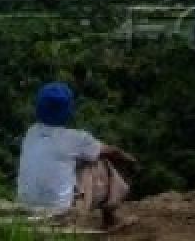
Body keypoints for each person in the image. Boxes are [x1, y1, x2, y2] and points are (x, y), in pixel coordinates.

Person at [16, 82, 137, 231]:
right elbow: (112, 152)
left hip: (26, 206)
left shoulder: (31, 132)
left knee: (75, 161)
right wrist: (129, 159)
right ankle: (110, 219)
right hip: (59, 211)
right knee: (101, 162)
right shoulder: (76, 139)